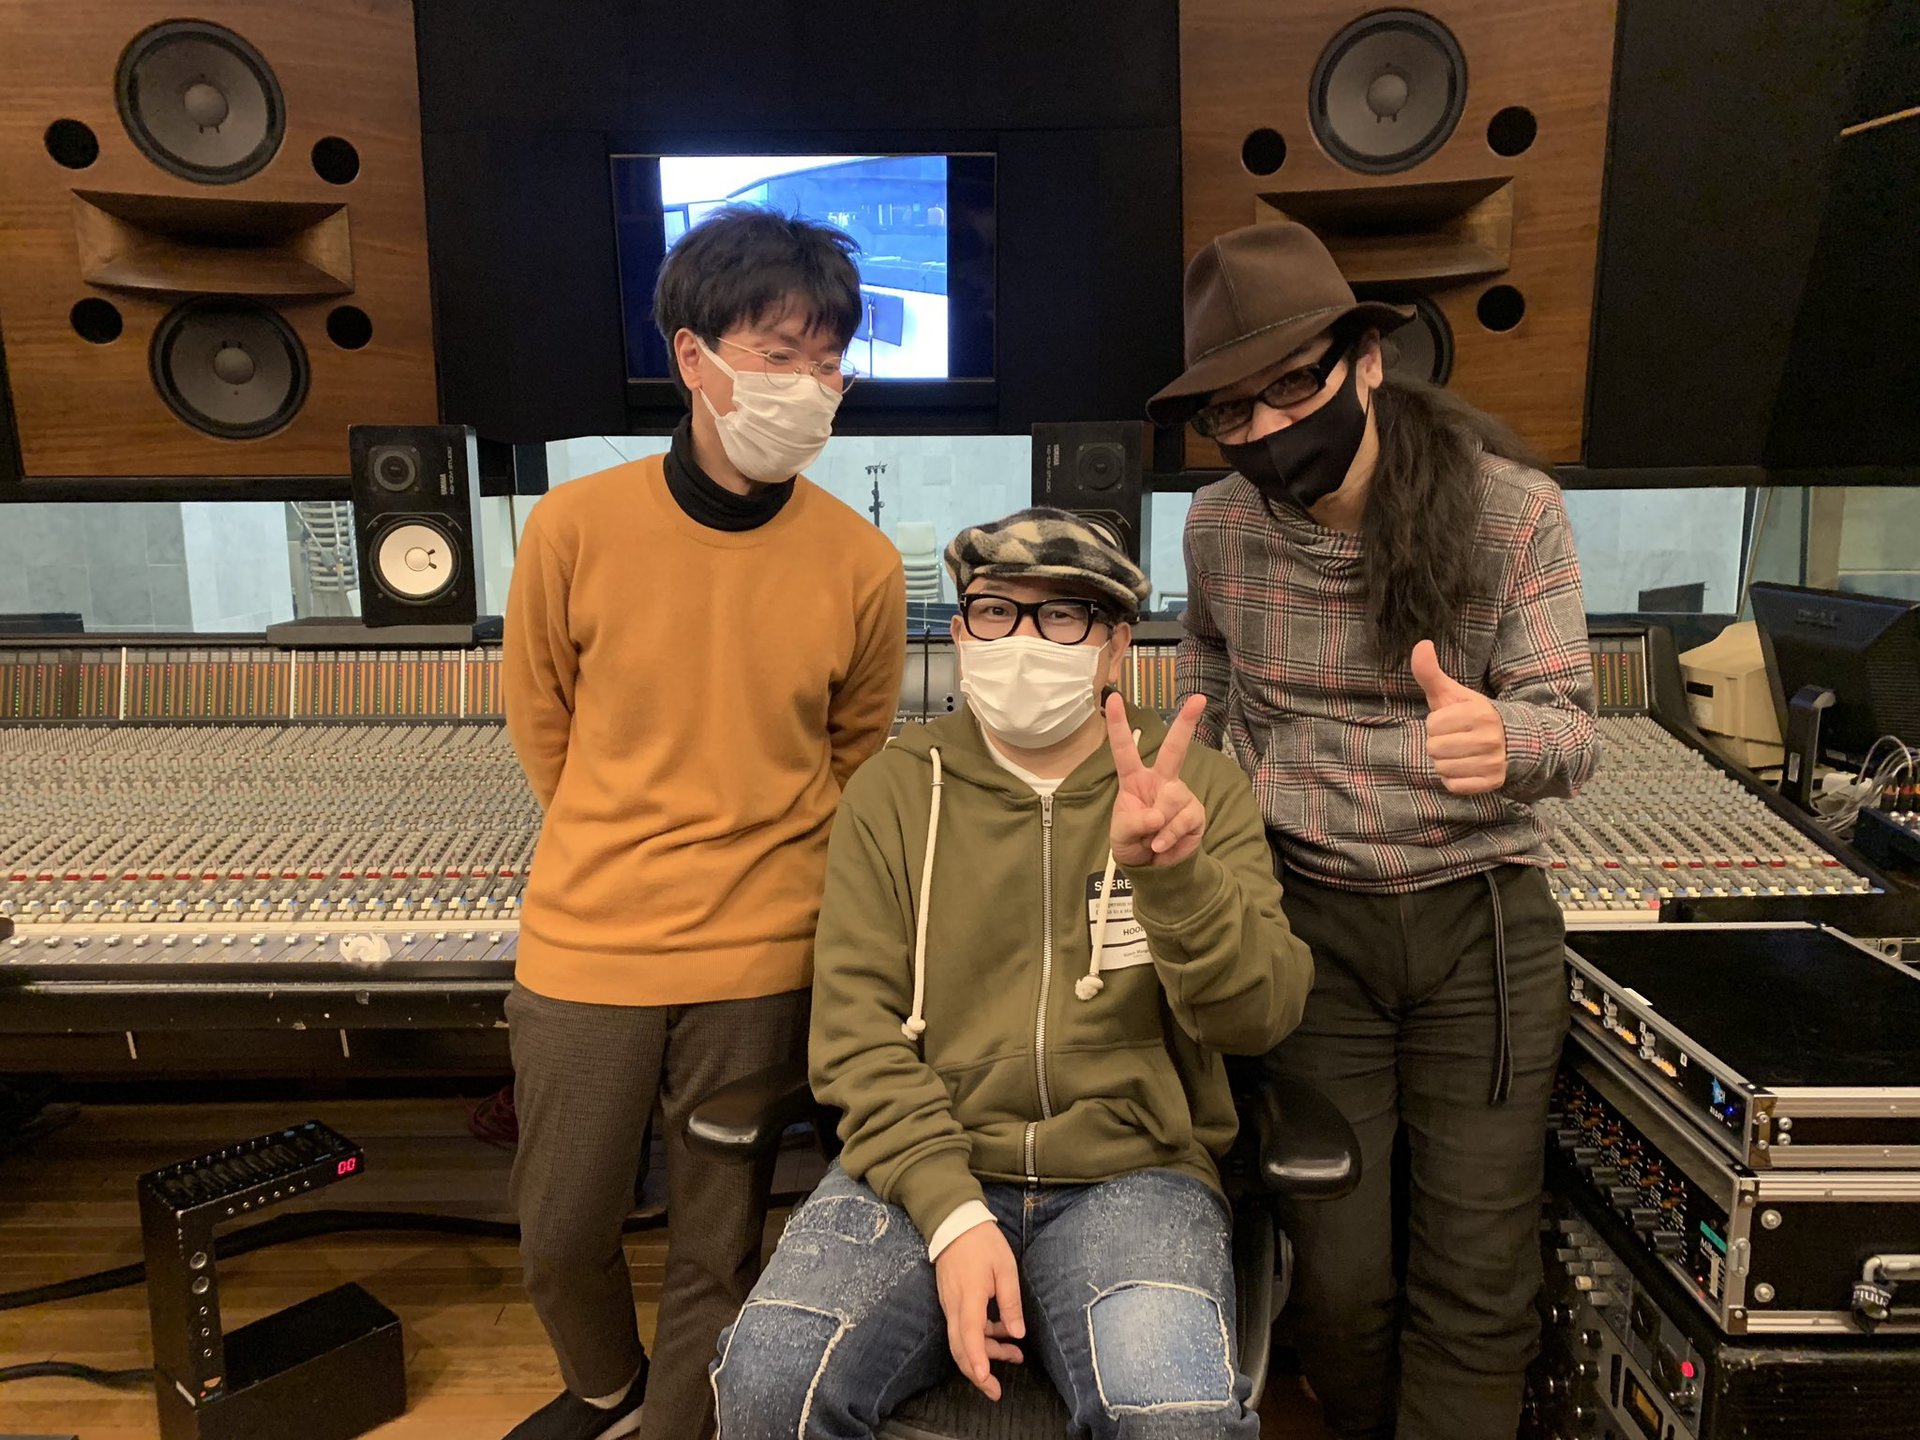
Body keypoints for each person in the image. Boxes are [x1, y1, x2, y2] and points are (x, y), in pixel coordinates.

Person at [709, 509, 1316, 1439]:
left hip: (1133, 1172)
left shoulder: (1195, 789)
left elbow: (1259, 1016)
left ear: (1116, 646)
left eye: (1062, 615)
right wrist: (952, 1215)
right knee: (767, 1384)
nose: (1023, 641)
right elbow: (856, 1035)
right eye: (996, 611)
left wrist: (1177, 881)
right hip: (917, 1168)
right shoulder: (893, 792)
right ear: (961, 634)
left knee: (1174, 1418)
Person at [1146, 221, 1599, 1440]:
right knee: (1336, 1279)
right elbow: (1209, 681)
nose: (1264, 429)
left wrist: (1507, 740)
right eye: (1231, 411)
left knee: (1478, 1267)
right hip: (1309, 925)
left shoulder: (1512, 511)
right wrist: (1208, 800)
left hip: (1480, 929)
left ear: (1367, 362)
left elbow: (1572, 730)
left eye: (1293, 386)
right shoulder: (1219, 526)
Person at [501, 205, 908, 1440]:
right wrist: (620, 837)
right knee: (561, 1227)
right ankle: (608, 1391)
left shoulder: (861, 563)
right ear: (694, 357)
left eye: (829, 362)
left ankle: (676, 1424)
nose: (810, 387)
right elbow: (542, 720)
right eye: (779, 356)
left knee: (717, 1244)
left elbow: (853, 750)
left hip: (764, 952)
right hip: (589, 943)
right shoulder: (572, 527)